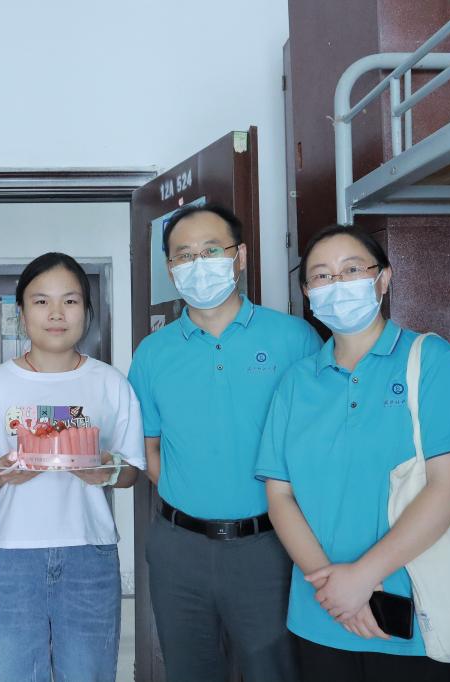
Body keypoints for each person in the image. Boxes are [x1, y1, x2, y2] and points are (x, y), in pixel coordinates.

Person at [254, 223, 450, 682]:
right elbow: (280, 496)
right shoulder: (296, 382)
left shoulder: (432, 360)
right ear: (308, 293)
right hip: (320, 613)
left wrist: (362, 578)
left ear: (383, 279)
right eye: (322, 275)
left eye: (352, 270)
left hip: (420, 612)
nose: (337, 284)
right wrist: (335, 589)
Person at [127, 203, 320, 682]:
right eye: (184, 255)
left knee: (272, 670)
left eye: (211, 250)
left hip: (268, 546)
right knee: (188, 671)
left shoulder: (294, 339)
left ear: (240, 257)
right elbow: (149, 449)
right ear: (170, 268)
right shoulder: (152, 353)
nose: (198, 264)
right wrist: (194, 503)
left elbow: (319, 445)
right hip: (178, 548)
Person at [0, 252, 146, 682]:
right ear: (22, 312)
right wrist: (4, 472)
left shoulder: (110, 382)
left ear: (87, 310)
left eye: (71, 301)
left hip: (89, 553)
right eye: (41, 301)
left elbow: (132, 470)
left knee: (88, 673)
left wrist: (108, 470)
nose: (56, 313)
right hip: (10, 555)